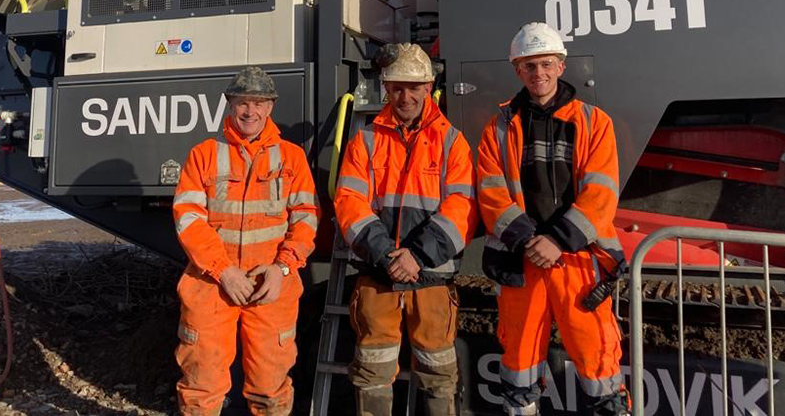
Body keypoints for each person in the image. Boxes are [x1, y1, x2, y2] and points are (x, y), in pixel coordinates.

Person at [476, 23, 629, 416]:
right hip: (524, 259)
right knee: (519, 361)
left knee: (598, 359)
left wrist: (557, 241)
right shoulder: (497, 128)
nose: (538, 73)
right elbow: (491, 195)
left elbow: (602, 194)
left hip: (578, 259)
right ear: (517, 71)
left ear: (561, 66)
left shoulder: (595, 122)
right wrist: (532, 241)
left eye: (545, 64)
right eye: (529, 66)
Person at [334, 43, 478, 416]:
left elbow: (463, 207)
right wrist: (386, 255)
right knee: (372, 371)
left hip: (430, 277)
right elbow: (349, 201)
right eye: (397, 87)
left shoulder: (452, 142)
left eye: (415, 88)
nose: (406, 96)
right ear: (386, 88)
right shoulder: (365, 139)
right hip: (378, 275)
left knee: (438, 373)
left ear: (429, 88)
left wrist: (417, 255)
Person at [172, 66, 319, 416]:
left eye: (258, 103)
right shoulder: (203, 154)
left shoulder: (292, 157)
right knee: (200, 386)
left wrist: (282, 268)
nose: (249, 111)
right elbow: (188, 218)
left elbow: (306, 219)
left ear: (270, 108)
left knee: (270, 387)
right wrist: (224, 271)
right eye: (242, 102)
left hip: (269, 285)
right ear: (229, 105)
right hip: (211, 284)